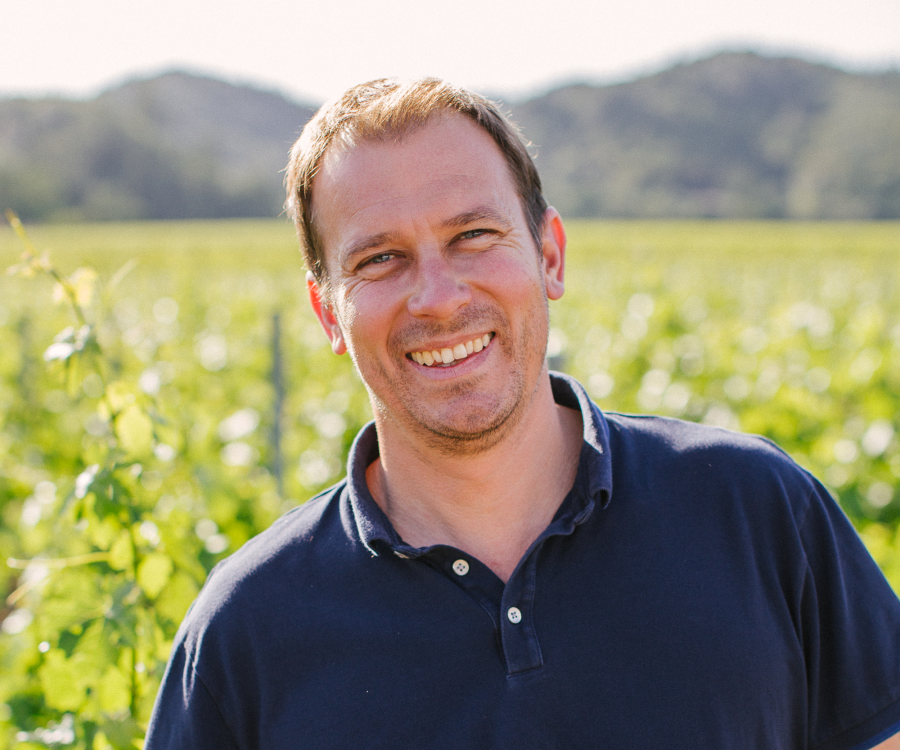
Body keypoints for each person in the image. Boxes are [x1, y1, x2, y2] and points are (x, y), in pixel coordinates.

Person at [145, 77, 900, 749]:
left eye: (473, 235)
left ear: (550, 255)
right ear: (327, 313)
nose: (439, 297)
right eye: (379, 259)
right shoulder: (245, 633)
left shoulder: (757, 512)